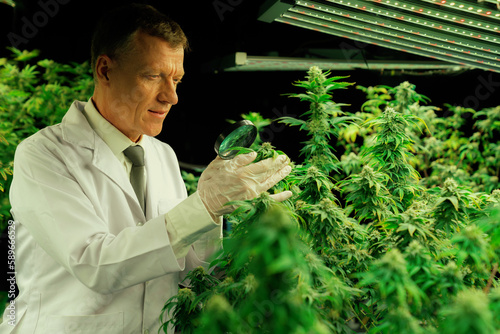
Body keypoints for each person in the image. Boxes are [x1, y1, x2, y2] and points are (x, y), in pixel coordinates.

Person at [0, 3, 292, 334]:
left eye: (177, 79)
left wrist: (221, 219)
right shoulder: (43, 155)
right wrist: (203, 205)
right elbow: (96, 265)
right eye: (153, 76)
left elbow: (193, 271)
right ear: (105, 70)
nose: (171, 97)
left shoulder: (163, 155)